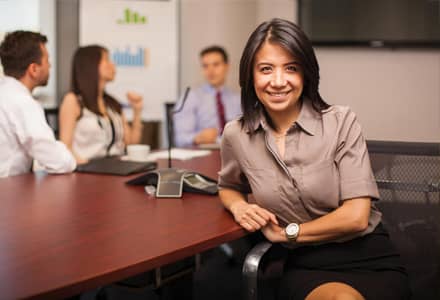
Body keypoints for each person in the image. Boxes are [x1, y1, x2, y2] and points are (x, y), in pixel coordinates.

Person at [218, 19, 410, 300]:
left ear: (306, 73)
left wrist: (286, 234)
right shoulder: (237, 134)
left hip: (367, 255)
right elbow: (228, 185)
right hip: (307, 264)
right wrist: (238, 207)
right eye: (266, 69)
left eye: (291, 68)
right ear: (250, 75)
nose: (279, 81)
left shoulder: (341, 122)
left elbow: (356, 217)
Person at [0, 30, 76, 177]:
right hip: (8, 193)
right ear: (34, 69)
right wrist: (69, 158)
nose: (50, 66)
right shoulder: (22, 102)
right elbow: (59, 162)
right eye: (47, 61)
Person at [59, 45, 144, 164]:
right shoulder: (73, 101)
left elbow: (131, 143)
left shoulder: (112, 104)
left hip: (118, 167)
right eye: (107, 60)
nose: (113, 65)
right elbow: (65, 147)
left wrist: (137, 111)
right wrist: (85, 165)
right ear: (91, 65)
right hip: (87, 171)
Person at [173, 46, 241, 147]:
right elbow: (180, 138)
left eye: (216, 65)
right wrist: (198, 138)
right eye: (205, 66)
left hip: (234, 154)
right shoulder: (190, 97)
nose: (210, 71)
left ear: (227, 66)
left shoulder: (238, 99)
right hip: (202, 155)